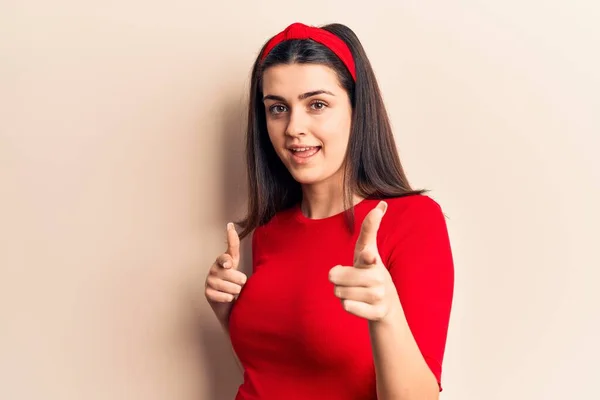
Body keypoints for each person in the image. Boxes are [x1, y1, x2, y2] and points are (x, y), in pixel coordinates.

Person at [204, 22, 454, 400]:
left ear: (357, 110)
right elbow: (276, 375)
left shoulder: (413, 221)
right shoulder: (271, 231)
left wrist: (387, 315)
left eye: (317, 104)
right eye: (277, 109)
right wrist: (227, 313)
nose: (293, 128)